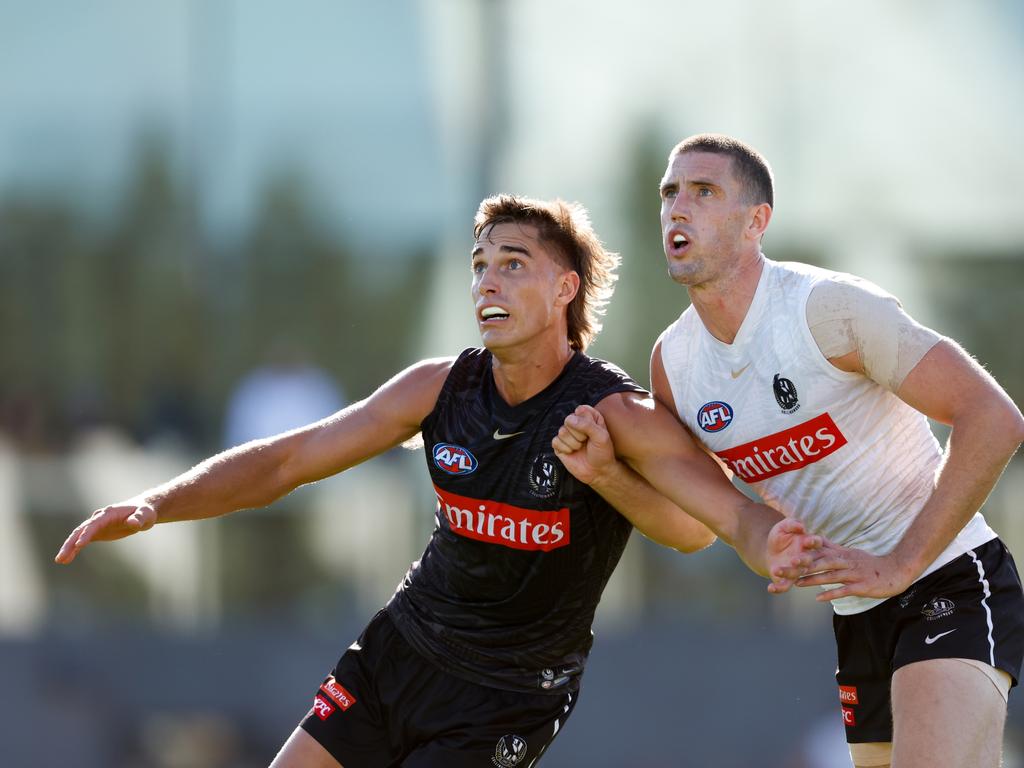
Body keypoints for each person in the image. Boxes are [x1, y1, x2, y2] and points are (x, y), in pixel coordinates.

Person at [55, 194, 824, 768]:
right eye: (480, 265)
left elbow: (698, 529)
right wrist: (159, 502)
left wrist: (608, 479)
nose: (487, 282)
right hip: (399, 651)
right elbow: (289, 460)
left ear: (565, 290)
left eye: (513, 264)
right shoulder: (439, 387)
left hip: (509, 693)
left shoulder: (613, 411)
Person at [555, 134, 1024, 768]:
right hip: (858, 610)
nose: (677, 209)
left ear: (757, 222)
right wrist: (610, 475)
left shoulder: (827, 310)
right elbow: (697, 526)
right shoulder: (675, 362)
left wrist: (904, 561)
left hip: (949, 579)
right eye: (670, 193)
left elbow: (994, 419)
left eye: (704, 191)